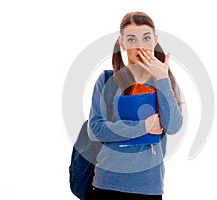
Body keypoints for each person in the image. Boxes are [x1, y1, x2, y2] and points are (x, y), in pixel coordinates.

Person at [87, 11, 183, 200]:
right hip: (107, 184)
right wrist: (144, 126)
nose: (140, 46)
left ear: (155, 40)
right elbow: (95, 130)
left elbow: (173, 126)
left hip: (148, 187)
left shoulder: (166, 82)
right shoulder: (107, 80)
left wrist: (162, 78)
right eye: (131, 40)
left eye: (146, 38)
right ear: (122, 43)